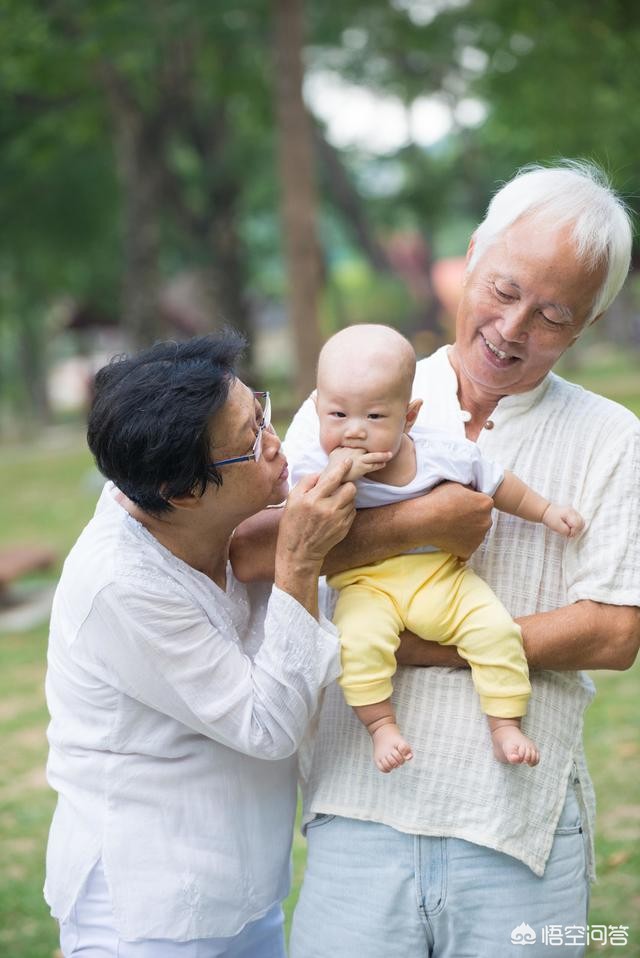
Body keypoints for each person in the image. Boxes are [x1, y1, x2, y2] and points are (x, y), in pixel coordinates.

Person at [231, 161, 640, 957]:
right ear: (474, 254)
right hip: (359, 809)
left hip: (519, 826)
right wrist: (426, 521)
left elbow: (616, 632)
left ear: (587, 325)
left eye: (554, 314)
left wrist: (417, 647)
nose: (514, 328)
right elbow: (252, 548)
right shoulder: (359, 391)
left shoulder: (612, 438)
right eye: (504, 288)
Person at [44, 332, 358, 957]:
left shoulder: (216, 504)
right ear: (184, 491)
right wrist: (296, 561)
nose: (274, 443)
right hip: (147, 912)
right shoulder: (119, 583)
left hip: (246, 888)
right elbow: (266, 724)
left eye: (261, 413)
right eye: (250, 442)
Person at [293, 322, 584, 773]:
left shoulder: (438, 453)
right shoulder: (314, 464)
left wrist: (546, 511)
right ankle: (380, 725)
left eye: (374, 417)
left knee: (496, 630)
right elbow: (297, 518)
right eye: (337, 416)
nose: (353, 432)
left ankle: (504, 723)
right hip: (364, 585)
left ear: (408, 417)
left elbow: (499, 483)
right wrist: (336, 478)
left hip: (441, 579)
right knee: (355, 642)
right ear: (318, 410)